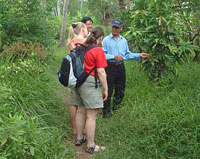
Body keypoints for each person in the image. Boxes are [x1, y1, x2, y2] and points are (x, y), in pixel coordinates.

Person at [102, 19, 149, 118]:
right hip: (110, 67)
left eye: (117, 27)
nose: (114, 29)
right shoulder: (106, 40)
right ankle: (106, 111)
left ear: (121, 28)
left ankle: (116, 108)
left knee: (120, 88)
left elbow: (127, 54)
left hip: (120, 66)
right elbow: (102, 54)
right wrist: (113, 56)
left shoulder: (123, 40)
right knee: (108, 89)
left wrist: (139, 55)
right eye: (113, 27)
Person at [75, 27, 108, 153]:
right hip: (90, 83)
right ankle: (90, 145)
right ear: (100, 38)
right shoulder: (98, 50)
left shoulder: (82, 47)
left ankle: (79, 138)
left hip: (79, 82)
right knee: (92, 116)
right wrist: (106, 88)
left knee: (81, 110)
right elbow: (101, 71)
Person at [67, 22, 88, 140]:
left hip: (74, 75)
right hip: (84, 75)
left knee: (73, 102)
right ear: (83, 30)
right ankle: (83, 129)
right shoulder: (86, 42)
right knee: (83, 105)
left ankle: (74, 129)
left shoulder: (71, 43)